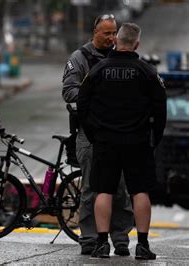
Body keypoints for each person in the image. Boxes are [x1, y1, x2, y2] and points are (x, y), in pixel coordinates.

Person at [77, 22, 166, 260]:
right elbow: (161, 108)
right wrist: (154, 138)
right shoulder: (148, 72)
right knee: (140, 192)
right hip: (137, 142)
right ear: (137, 44)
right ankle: (143, 245)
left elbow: (82, 104)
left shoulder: (98, 70)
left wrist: (94, 133)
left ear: (116, 40)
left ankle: (102, 243)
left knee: (103, 191)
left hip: (105, 141)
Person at [61, 14, 134, 256]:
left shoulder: (122, 57)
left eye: (114, 33)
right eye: (107, 33)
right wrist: (97, 93)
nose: (112, 38)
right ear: (94, 32)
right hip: (90, 133)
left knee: (121, 187)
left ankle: (120, 239)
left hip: (119, 133)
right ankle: (90, 239)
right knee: (92, 186)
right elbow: (69, 92)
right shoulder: (80, 58)